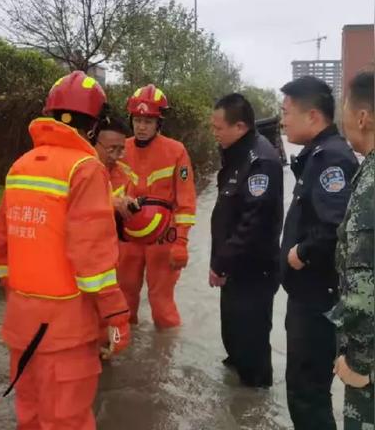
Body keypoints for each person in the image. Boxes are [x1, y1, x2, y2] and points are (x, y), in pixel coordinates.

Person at [0, 71, 130, 429]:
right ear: (94, 126)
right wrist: (116, 316)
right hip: (67, 331)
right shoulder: (86, 169)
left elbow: (2, 247)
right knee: (67, 420)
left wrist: (22, 299)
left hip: (21, 325)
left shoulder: (20, 166)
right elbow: (92, 258)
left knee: (30, 413)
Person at [280, 76, 359, 430]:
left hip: (317, 300)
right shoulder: (317, 155)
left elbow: (336, 225)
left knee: (308, 392)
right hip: (310, 296)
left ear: (312, 116)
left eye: (285, 112)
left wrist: (302, 252)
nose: (281, 121)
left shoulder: (331, 160)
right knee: (303, 387)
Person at [209, 93, 283, 388]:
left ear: (239, 126)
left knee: (252, 342)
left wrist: (222, 263)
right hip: (233, 268)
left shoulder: (260, 161)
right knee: (234, 334)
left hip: (253, 270)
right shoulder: (235, 153)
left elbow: (253, 224)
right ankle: (236, 382)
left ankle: (254, 403)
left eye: (218, 128)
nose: (214, 133)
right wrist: (220, 262)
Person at [118, 84, 196, 328]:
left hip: (163, 238)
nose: (141, 127)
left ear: (158, 123)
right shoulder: (120, 148)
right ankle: (123, 350)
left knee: (161, 302)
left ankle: (165, 356)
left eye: (148, 121)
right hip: (127, 236)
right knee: (123, 298)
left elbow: (186, 200)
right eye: (138, 120)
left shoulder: (176, 151)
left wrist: (181, 242)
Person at [329, 71, 374, 429]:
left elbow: (364, 286)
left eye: (345, 108)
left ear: (362, 117)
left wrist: (358, 364)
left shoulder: (370, 185)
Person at [94, 114, 136, 219]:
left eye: (120, 150)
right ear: (93, 143)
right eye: (111, 149)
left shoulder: (124, 176)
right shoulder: (77, 170)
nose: (115, 156)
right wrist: (110, 203)